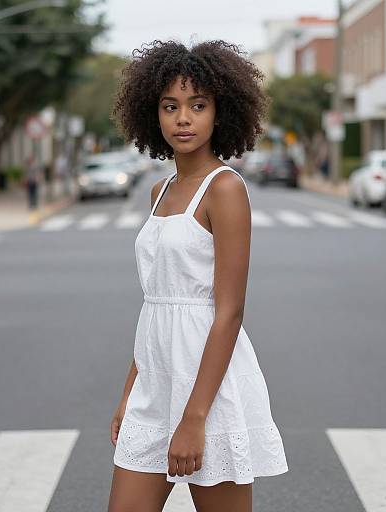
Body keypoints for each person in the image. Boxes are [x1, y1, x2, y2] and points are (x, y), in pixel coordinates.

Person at [108, 40, 289, 511]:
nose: (183, 118)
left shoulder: (224, 189)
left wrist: (194, 418)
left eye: (197, 105)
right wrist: (131, 392)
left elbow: (228, 312)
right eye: (171, 106)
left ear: (220, 113)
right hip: (156, 380)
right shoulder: (159, 190)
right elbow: (156, 304)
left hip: (209, 389)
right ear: (154, 114)